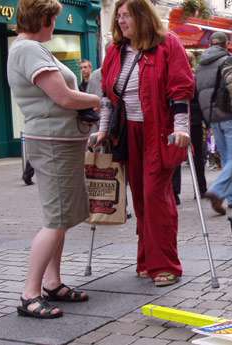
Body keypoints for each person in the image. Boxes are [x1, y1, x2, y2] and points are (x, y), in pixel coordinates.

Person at [7, 0, 100, 319]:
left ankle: (52, 282)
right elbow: (63, 96)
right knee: (55, 218)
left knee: (60, 217)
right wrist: (98, 99)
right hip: (52, 142)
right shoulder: (28, 50)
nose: (55, 25)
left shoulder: (29, 48)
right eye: (53, 19)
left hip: (58, 140)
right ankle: (29, 293)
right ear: (42, 19)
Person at [97, 0, 194, 286]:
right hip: (127, 133)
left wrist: (181, 127)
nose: (121, 22)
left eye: (126, 16)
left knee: (156, 197)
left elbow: (180, 89)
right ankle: (146, 260)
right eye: (119, 17)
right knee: (139, 197)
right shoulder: (115, 51)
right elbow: (107, 94)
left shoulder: (167, 44)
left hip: (159, 131)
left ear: (142, 16)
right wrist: (103, 129)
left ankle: (165, 265)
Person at [195, 32, 232, 214]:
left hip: (212, 117)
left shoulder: (200, 65)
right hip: (229, 113)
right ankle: (217, 191)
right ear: (226, 44)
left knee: (226, 157)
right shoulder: (228, 60)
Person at [187, 51, 207, 197]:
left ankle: (175, 193)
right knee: (197, 156)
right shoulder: (196, 79)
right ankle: (200, 188)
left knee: (175, 157)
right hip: (194, 121)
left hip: (177, 121)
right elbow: (202, 101)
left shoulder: (174, 76)